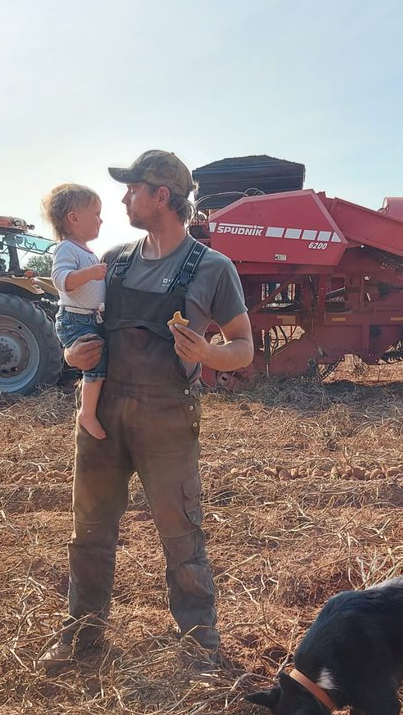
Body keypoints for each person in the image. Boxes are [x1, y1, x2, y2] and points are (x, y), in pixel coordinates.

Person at [43, 150, 254, 665]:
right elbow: (71, 321)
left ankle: (199, 643)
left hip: (166, 418)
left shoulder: (212, 268)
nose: (123, 198)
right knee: (89, 531)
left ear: (162, 196)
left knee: (182, 534)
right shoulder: (113, 261)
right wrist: (71, 354)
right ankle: (82, 638)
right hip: (103, 418)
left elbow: (244, 346)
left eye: (133, 189)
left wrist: (207, 353)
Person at [43, 183, 109, 439]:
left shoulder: (86, 251)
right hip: (76, 319)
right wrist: (90, 273)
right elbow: (62, 280)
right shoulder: (66, 248)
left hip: (90, 317)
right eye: (96, 214)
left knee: (100, 361)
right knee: (95, 362)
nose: (100, 220)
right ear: (74, 217)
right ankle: (87, 413)